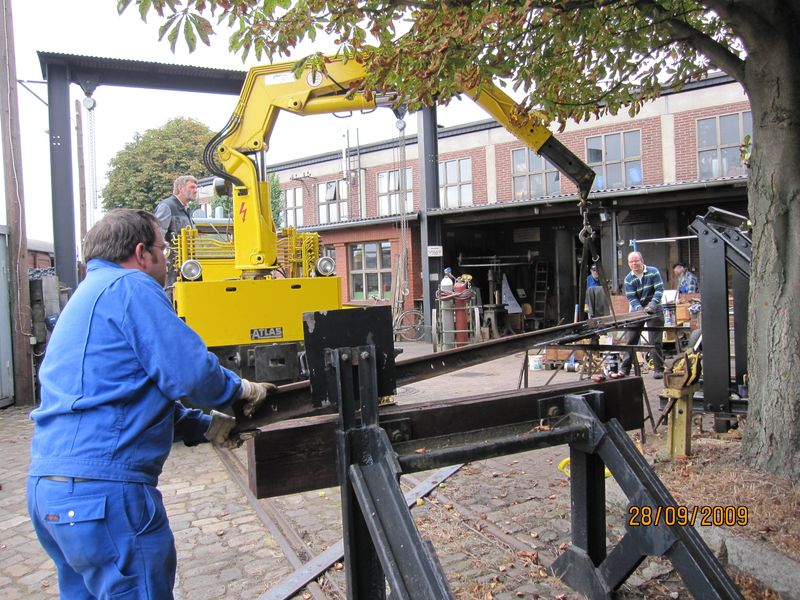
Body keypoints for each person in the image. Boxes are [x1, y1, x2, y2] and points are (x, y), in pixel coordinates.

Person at [27, 209, 274, 599]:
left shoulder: (86, 298)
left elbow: (122, 397)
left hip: (51, 493)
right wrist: (240, 390)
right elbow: (191, 374)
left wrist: (205, 425)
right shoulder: (132, 286)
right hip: (106, 496)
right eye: (164, 248)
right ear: (141, 253)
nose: (168, 258)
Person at [615, 251, 665, 379]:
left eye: (636, 261)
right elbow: (631, 298)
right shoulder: (628, 279)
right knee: (631, 339)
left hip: (655, 309)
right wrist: (640, 309)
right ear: (628, 264)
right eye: (631, 262)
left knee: (655, 341)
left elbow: (659, 289)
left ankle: (658, 369)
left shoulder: (653, 271)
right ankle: (625, 369)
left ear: (642, 260)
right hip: (638, 311)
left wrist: (653, 304)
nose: (634, 264)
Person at [154, 175, 198, 291]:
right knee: (170, 295)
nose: (195, 190)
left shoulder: (186, 209)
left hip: (186, 266)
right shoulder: (167, 206)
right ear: (181, 189)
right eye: (192, 187)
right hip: (172, 267)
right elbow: (157, 237)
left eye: (196, 187)